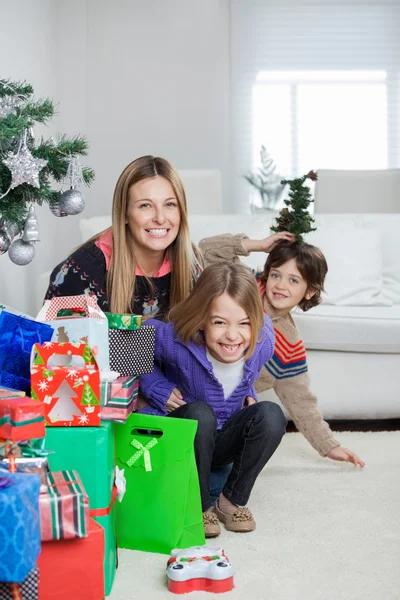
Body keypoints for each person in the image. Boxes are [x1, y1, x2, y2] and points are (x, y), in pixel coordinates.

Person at [139, 263, 287, 538]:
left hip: (223, 439)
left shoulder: (263, 339)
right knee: (201, 413)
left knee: (272, 415)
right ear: (201, 319)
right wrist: (157, 388)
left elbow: (246, 373)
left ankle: (230, 500)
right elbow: (134, 345)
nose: (233, 335)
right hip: (187, 435)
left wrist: (249, 393)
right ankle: (200, 504)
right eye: (219, 322)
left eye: (244, 323)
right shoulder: (175, 338)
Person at [200, 232, 365, 473]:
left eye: (294, 280)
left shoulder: (288, 344)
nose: (280, 285)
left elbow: (301, 400)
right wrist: (259, 245)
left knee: (215, 480)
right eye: (276, 275)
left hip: (225, 418)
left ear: (310, 291)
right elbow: (206, 249)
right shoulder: (242, 286)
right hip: (190, 389)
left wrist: (328, 445)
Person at [45, 155, 203, 320]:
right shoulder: (83, 270)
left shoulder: (191, 260)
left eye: (170, 204)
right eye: (145, 205)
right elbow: (54, 340)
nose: (160, 218)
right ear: (124, 214)